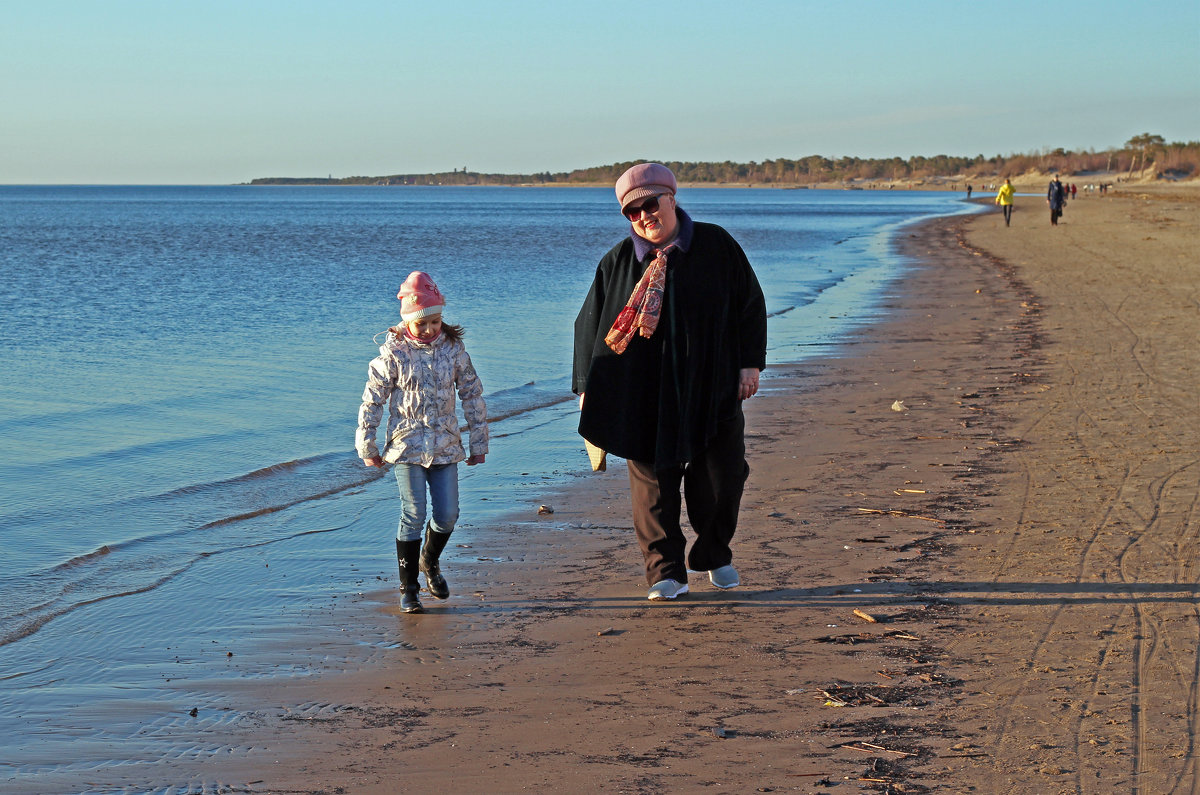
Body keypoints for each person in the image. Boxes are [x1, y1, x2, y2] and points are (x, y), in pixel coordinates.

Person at [573, 163, 767, 601]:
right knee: (653, 486)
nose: (644, 216)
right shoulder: (619, 262)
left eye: (650, 204)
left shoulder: (717, 245)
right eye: (632, 211)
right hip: (642, 393)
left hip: (712, 386)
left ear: (672, 199)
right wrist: (587, 387)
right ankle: (665, 571)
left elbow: (749, 305)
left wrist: (749, 364)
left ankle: (714, 553)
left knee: (723, 477)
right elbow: (588, 327)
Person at [355, 271, 488, 614]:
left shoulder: (454, 350)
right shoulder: (393, 355)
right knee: (413, 513)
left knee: (447, 515)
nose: (429, 329)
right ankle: (409, 587)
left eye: (435, 321)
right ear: (408, 322)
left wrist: (479, 442)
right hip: (406, 447)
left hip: (445, 445)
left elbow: (472, 393)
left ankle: (430, 561)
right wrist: (367, 445)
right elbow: (373, 402)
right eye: (422, 323)